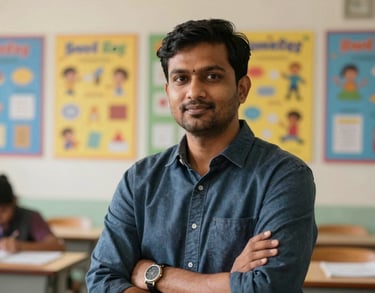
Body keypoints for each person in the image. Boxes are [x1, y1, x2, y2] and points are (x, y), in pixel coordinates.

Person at [86, 19, 317, 293]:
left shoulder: (284, 176)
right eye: (181, 78)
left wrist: (156, 275)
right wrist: (228, 282)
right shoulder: (140, 179)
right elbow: (102, 280)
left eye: (212, 76)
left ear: (242, 89)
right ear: (168, 91)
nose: (194, 92)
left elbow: (269, 287)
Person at [0, 174, 64, 252]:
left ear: (15, 201)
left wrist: (21, 246)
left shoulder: (30, 217)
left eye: (4, 211)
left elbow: (57, 246)